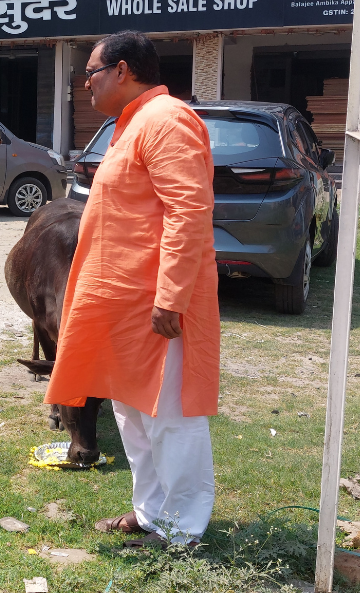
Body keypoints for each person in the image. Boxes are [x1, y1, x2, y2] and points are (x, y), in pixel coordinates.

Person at [46, 31, 219, 548]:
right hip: (122, 309)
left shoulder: (167, 121)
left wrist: (171, 295)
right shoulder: (131, 126)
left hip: (155, 308)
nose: (85, 84)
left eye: (92, 73)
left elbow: (188, 212)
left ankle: (184, 530)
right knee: (132, 411)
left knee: (169, 415)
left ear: (123, 70)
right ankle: (150, 513)